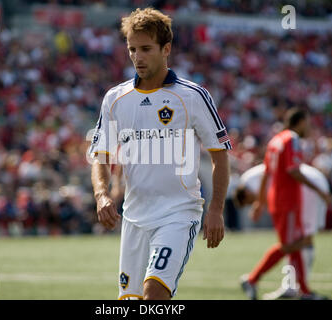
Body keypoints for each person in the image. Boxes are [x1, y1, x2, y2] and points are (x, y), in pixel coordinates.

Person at [89, 8, 231, 300]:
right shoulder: (115, 99)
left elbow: (220, 156)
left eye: (145, 49)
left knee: (154, 294)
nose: (137, 57)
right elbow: (101, 155)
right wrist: (102, 194)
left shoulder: (192, 96)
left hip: (177, 215)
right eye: (132, 49)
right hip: (134, 219)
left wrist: (215, 209)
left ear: (166, 49)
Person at [239, 108, 330, 300]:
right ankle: (252, 279)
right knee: (290, 245)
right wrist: (320, 191)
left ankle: (304, 291)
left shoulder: (276, 140)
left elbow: (266, 173)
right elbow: (293, 171)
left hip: (280, 199)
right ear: (300, 122)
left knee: (294, 244)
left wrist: (261, 202)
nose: (309, 126)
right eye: (307, 122)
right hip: (287, 200)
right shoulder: (292, 139)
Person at [235, 163, 330, 299]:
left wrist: (260, 206)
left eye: (251, 202)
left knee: (297, 242)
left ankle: (256, 280)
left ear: (246, 194)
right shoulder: (250, 179)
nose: (254, 204)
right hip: (302, 188)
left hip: (304, 188)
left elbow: (270, 179)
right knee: (296, 242)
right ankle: (298, 288)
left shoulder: (250, 182)